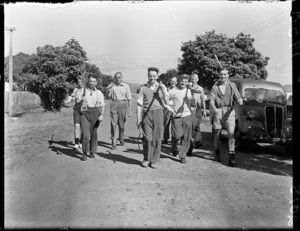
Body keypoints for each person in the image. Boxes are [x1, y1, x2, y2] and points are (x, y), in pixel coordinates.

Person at [209, 69, 243, 167]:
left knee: (231, 134)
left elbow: (238, 98)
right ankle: (217, 153)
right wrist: (214, 108)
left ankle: (231, 157)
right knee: (217, 133)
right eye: (221, 74)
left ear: (228, 75)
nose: (223, 76)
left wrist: (240, 101)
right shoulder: (215, 87)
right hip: (218, 110)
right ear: (218, 75)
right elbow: (211, 100)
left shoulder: (232, 86)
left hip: (230, 110)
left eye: (224, 74)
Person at [136, 67, 169, 169]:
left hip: (158, 113)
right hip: (146, 114)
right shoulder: (143, 88)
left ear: (157, 76)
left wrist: (163, 90)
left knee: (157, 138)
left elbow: (167, 102)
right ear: (147, 76)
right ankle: (146, 158)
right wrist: (138, 119)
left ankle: (154, 160)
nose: (152, 77)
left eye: (154, 76)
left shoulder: (161, 87)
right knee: (147, 138)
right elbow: (139, 104)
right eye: (150, 75)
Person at [167, 74, 193, 164]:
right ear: (179, 81)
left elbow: (192, 101)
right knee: (176, 135)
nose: (183, 83)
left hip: (187, 116)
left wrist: (193, 106)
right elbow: (165, 101)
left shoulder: (189, 91)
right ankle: (174, 148)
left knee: (186, 136)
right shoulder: (173, 91)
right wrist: (170, 109)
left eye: (185, 81)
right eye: (182, 81)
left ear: (187, 83)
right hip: (177, 117)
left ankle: (182, 155)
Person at [80, 76, 105, 161]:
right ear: (88, 82)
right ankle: (84, 153)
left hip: (95, 112)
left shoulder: (99, 93)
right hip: (85, 112)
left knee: (94, 133)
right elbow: (76, 98)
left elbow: (102, 105)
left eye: (94, 81)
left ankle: (92, 152)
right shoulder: (83, 91)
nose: (92, 83)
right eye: (90, 81)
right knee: (85, 134)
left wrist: (102, 114)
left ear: (96, 83)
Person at [106, 72, 132, 150]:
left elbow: (129, 98)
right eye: (116, 77)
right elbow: (108, 96)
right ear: (114, 78)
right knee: (113, 123)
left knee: (121, 124)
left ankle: (121, 138)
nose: (118, 79)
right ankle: (113, 142)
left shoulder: (126, 86)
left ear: (122, 77)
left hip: (123, 104)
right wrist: (108, 89)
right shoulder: (112, 86)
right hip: (114, 103)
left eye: (119, 77)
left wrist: (130, 110)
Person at [187, 73, 207, 155]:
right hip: (188, 109)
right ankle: (189, 148)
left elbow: (203, 100)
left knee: (197, 126)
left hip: (197, 108)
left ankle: (198, 141)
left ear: (198, 79)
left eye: (195, 78)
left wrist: (204, 110)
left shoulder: (200, 89)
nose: (193, 80)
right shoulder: (186, 88)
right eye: (192, 78)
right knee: (190, 127)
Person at [67, 78, 84, 149]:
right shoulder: (76, 89)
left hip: (84, 109)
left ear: (84, 82)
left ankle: (82, 141)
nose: (79, 83)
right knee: (76, 126)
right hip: (77, 108)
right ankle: (77, 142)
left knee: (83, 127)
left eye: (80, 82)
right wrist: (69, 98)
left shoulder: (87, 89)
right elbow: (72, 96)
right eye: (78, 82)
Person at [162, 76, 178, 144]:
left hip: (175, 108)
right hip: (167, 108)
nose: (172, 82)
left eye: (174, 81)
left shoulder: (178, 90)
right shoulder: (166, 89)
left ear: (176, 82)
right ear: (169, 82)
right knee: (166, 124)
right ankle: (165, 138)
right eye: (171, 81)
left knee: (175, 124)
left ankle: (174, 139)